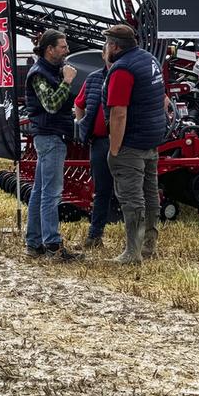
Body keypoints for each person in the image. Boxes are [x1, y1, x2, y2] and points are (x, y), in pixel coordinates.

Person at [103, 24, 166, 264]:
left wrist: (115, 149)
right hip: (151, 139)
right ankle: (150, 245)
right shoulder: (149, 60)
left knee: (132, 199)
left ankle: (133, 252)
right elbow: (161, 98)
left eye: (108, 43)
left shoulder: (122, 70)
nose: (106, 47)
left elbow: (119, 113)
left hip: (131, 142)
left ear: (115, 46)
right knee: (151, 195)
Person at [24, 29, 82, 261]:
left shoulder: (48, 71)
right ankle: (52, 245)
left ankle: (34, 242)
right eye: (63, 46)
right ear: (50, 49)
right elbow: (51, 104)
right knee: (51, 193)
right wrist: (67, 81)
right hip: (50, 136)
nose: (67, 50)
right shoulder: (39, 74)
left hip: (50, 136)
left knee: (40, 191)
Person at [74, 45, 114, 249]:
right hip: (99, 142)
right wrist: (83, 127)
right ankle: (95, 235)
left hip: (124, 143)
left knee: (130, 191)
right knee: (102, 190)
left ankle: (138, 240)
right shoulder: (93, 78)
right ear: (103, 55)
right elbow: (79, 104)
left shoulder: (129, 76)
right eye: (108, 50)